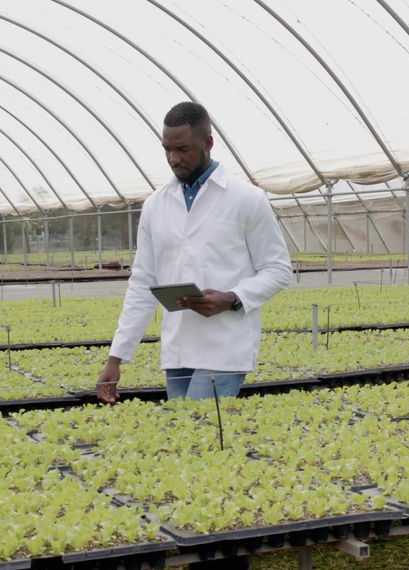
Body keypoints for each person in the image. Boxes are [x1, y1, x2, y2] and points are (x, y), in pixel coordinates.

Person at [96, 102, 292, 403]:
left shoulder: (247, 199)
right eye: (167, 150)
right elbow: (142, 282)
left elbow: (278, 269)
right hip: (178, 348)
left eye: (183, 149)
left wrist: (232, 298)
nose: (174, 159)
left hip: (225, 346)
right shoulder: (156, 205)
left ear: (208, 143)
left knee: (201, 432)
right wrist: (117, 357)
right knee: (186, 437)